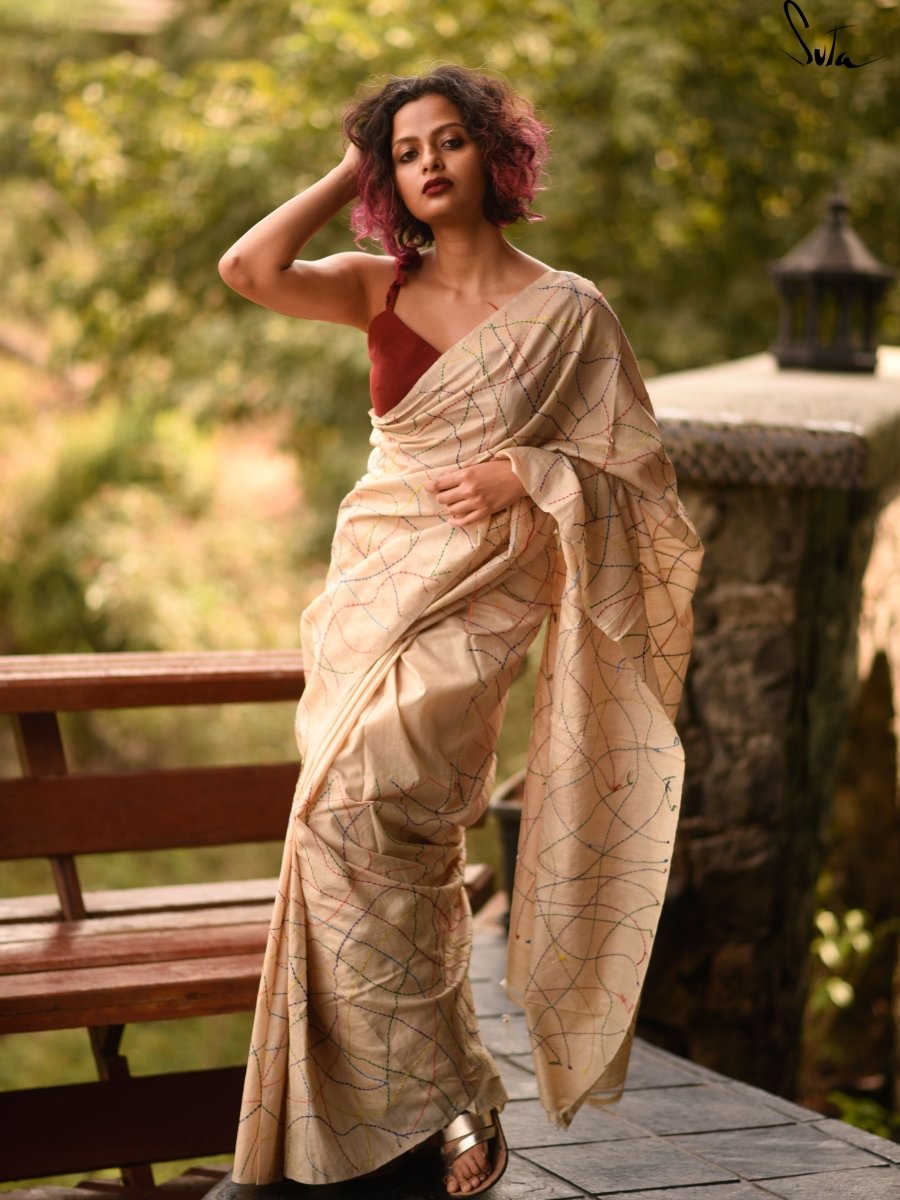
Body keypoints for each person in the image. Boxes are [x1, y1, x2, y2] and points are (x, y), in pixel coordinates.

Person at [218, 65, 702, 1197]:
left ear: (494, 152)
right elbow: (249, 270)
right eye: (404, 152)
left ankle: (413, 1098)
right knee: (358, 834)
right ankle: (431, 1099)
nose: (428, 163)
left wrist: (526, 473)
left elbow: (641, 475)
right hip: (373, 590)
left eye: (448, 140)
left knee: (369, 807)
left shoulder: (569, 313)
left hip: (483, 599)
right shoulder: (378, 287)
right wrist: (348, 165)